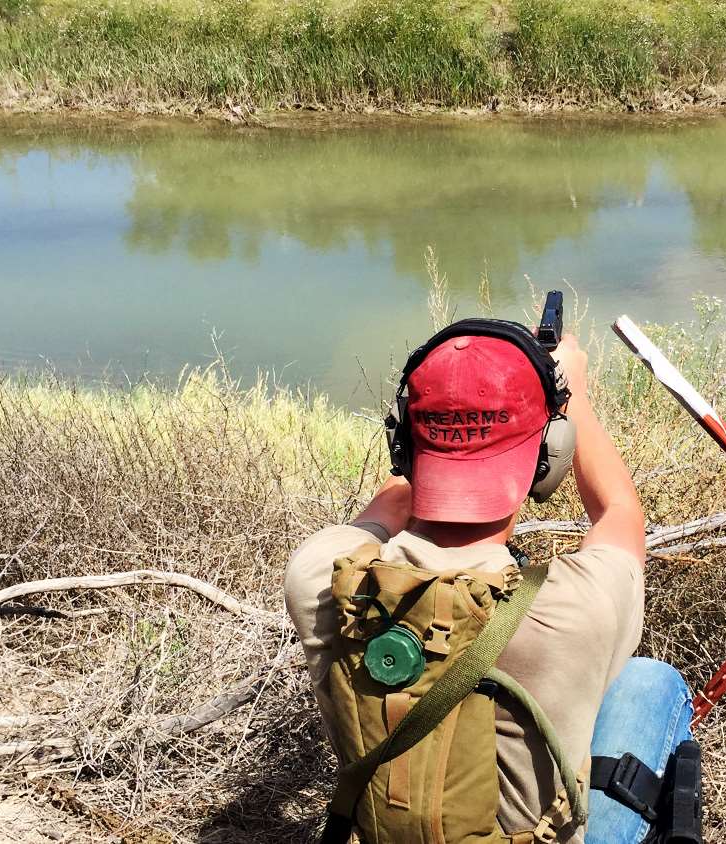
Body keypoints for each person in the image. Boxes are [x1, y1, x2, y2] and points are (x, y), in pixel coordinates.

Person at [283, 323, 693, 844]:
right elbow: (619, 512)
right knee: (650, 682)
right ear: (552, 453)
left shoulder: (320, 576)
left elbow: (393, 498)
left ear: (404, 447)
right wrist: (576, 396)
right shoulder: (573, 607)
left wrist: (443, 423)